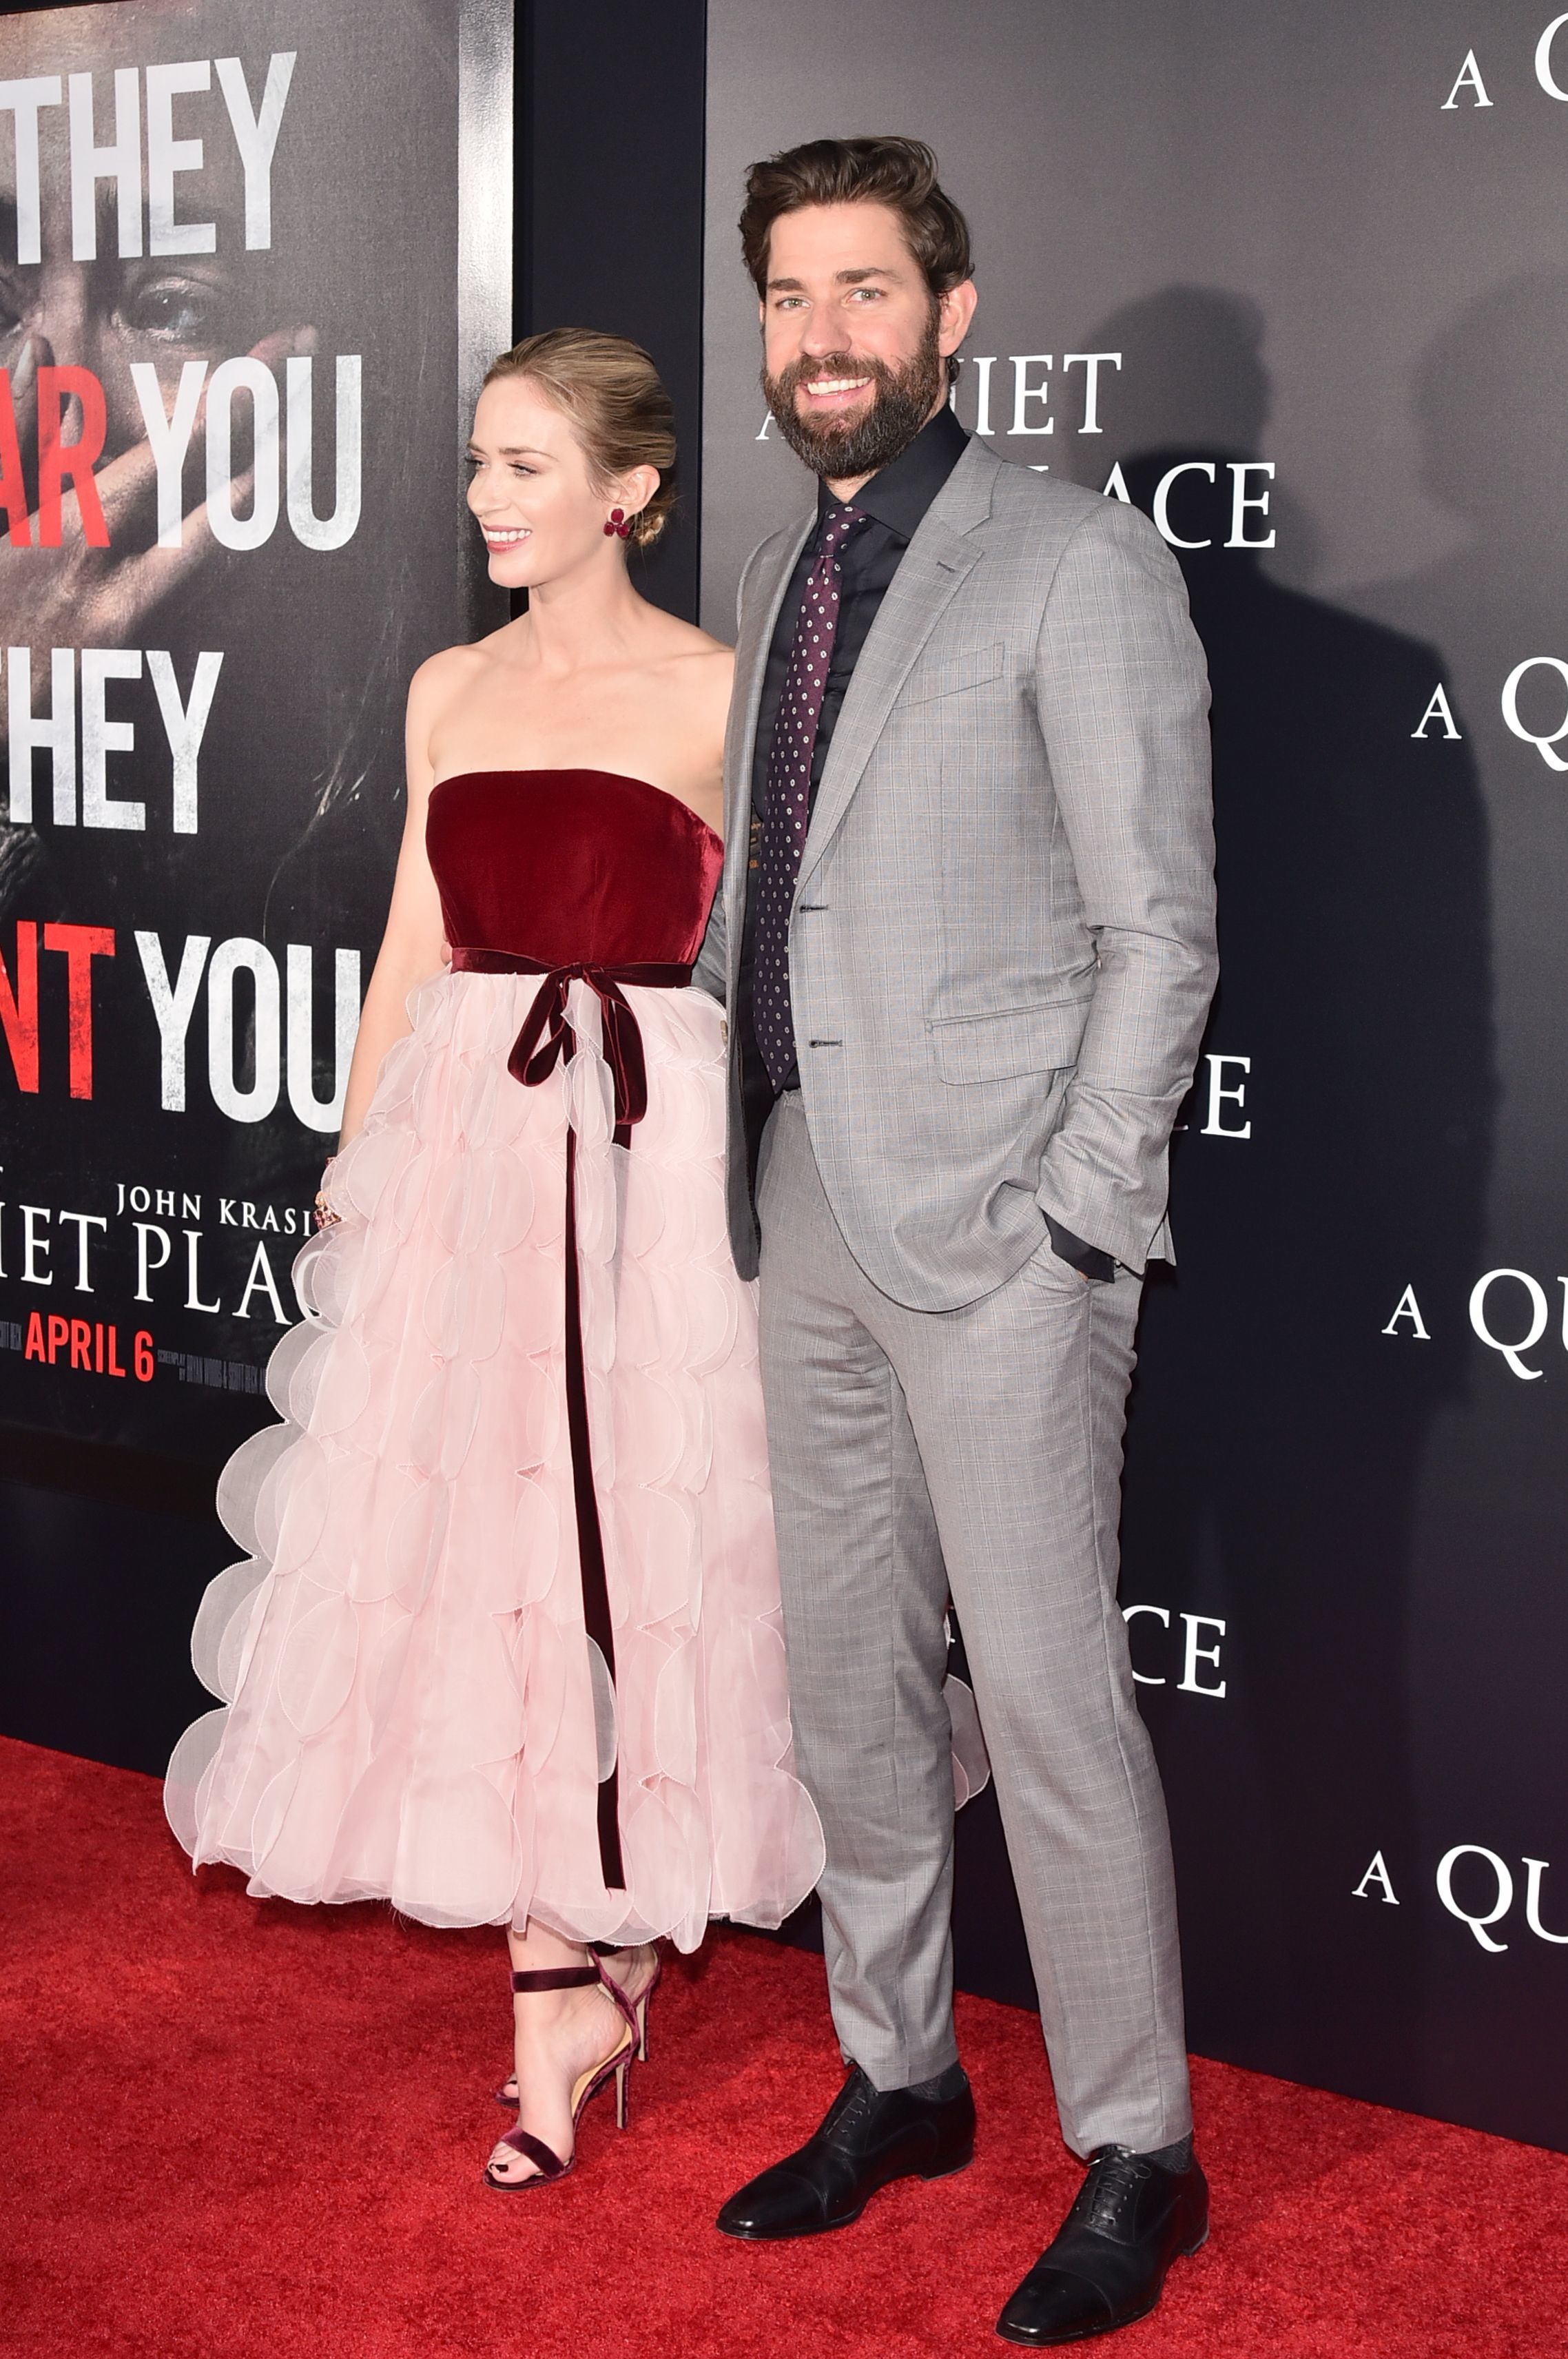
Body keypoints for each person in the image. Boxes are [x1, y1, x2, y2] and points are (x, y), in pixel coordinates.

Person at [165, 327, 825, 2191]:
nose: (485, 499)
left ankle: (598, 1934)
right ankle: (559, 1978)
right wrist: (352, 1157)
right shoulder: (448, 685)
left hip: (646, 1153)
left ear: (629, 489)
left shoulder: (721, 690)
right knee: (485, 1549)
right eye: (477, 464)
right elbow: (409, 939)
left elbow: (777, 959)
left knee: (641, 1536)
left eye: (523, 466)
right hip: (468, 1142)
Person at [697, 138, 1218, 2345]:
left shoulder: (1072, 562)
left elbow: (1156, 928)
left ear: (951, 313)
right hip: (798, 1196)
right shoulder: (781, 568)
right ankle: (898, 2075)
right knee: (847, 1690)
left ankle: (1138, 2147)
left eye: (862, 291)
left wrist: (1075, 1216)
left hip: (1002, 1232)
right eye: (787, 297)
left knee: (1045, 1697)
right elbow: (776, 884)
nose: (822, 336)